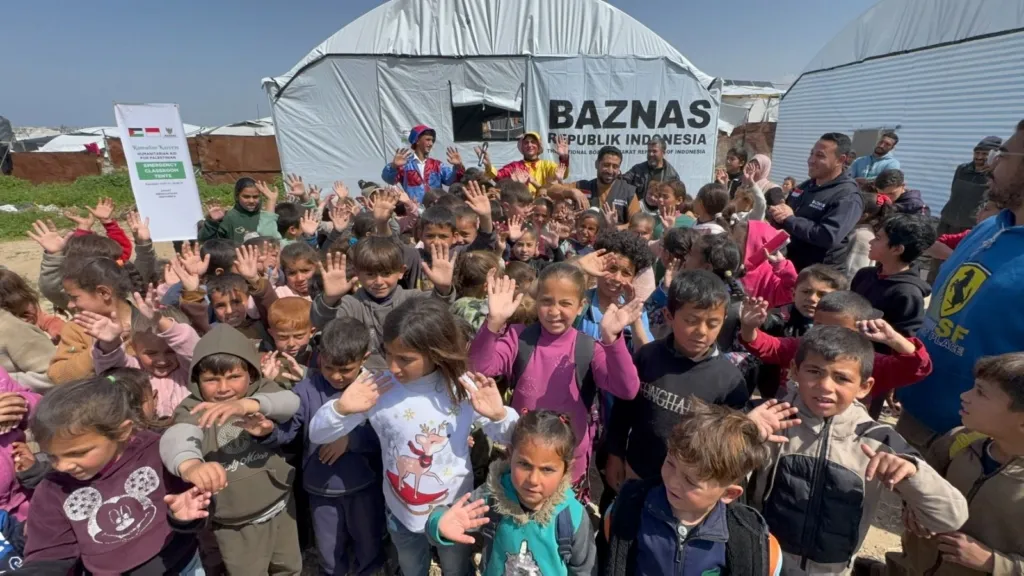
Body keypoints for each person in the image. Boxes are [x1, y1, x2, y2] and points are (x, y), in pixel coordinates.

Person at [308, 298, 519, 576]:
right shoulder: (378, 388)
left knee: (456, 568)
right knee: (411, 567)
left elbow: (514, 437)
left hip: (454, 509)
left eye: (405, 359)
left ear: (435, 352)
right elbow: (318, 433)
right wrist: (341, 408)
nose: (393, 366)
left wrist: (498, 415)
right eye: (388, 354)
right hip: (401, 514)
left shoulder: (462, 389)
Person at [746, 325, 969, 576]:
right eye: (814, 371)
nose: (825, 386)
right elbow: (717, 478)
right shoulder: (765, 419)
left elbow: (950, 518)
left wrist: (913, 475)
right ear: (795, 371)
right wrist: (743, 434)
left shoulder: (880, 439)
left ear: (864, 386)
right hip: (764, 562)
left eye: (841, 378)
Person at [897, 120, 1024, 450]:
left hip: (973, 447)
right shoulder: (991, 227)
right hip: (914, 412)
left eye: (1002, 155)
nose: (991, 165)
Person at [469, 264, 642, 495]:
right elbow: (478, 368)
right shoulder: (519, 337)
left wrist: (612, 341)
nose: (554, 311)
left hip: (569, 467)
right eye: (547, 301)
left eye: (565, 303)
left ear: (580, 306)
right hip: (523, 462)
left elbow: (628, 389)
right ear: (537, 300)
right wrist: (493, 323)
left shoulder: (588, 348)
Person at [21, 378, 211, 574]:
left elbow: (192, 512)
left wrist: (182, 518)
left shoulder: (156, 452)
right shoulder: (53, 490)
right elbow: (49, 555)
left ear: (123, 431)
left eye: (78, 453)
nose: (62, 466)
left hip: (183, 566)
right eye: (52, 456)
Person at [159, 324, 303, 575]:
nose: (223, 388)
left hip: (280, 504)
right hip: (233, 524)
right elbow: (178, 436)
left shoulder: (261, 391)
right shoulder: (193, 409)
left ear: (251, 373)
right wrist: (190, 464)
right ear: (196, 380)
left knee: (289, 566)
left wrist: (247, 405)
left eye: (234, 377)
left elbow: (290, 402)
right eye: (211, 380)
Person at [256, 318, 387, 576]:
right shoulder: (307, 389)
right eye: (328, 368)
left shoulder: (374, 388)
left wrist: (350, 440)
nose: (336, 376)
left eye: (346, 370)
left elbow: (385, 436)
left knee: (368, 542)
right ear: (319, 358)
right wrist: (268, 432)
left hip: (364, 486)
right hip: (321, 489)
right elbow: (290, 431)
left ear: (364, 358)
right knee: (329, 548)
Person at [604, 402, 784, 576]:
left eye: (690, 480)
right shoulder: (628, 511)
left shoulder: (750, 541)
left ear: (728, 493)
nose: (673, 481)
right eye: (670, 463)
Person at [606, 270, 747, 489]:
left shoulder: (730, 382)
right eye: (691, 320)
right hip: (636, 472)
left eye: (713, 323)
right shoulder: (647, 357)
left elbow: (729, 444)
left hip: (687, 487)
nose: (701, 331)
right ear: (669, 316)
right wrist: (614, 452)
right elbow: (623, 409)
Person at [889, 352, 1024, 576]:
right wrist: (915, 509)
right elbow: (922, 488)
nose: (964, 396)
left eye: (981, 392)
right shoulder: (959, 440)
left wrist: (993, 562)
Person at [427, 410, 596, 576]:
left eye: (547, 469)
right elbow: (440, 520)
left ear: (566, 469)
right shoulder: (493, 496)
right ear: (510, 454)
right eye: (524, 464)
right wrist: (439, 524)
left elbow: (584, 569)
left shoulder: (572, 515)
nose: (533, 480)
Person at [740, 291, 932, 399]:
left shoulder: (870, 362)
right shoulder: (802, 347)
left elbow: (916, 367)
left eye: (842, 378)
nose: (825, 334)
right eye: (818, 325)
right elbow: (769, 346)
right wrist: (749, 328)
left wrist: (894, 339)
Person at [310, 237, 456, 372]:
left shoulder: (413, 299)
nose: (379, 282)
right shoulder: (351, 304)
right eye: (370, 274)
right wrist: (329, 299)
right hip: (365, 379)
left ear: (401, 272)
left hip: (408, 377)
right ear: (357, 274)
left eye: (386, 274)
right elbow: (323, 324)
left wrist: (443, 289)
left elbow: (439, 313)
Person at [84, 289, 198, 418]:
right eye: (151, 353)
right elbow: (111, 368)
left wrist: (161, 321)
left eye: (171, 352)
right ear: (134, 347)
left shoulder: (189, 370)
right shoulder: (135, 369)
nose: (162, 360)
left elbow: (192, 349)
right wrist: (109, 343)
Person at [768, 132, 863, 271]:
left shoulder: (848, 195)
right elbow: (785, 218)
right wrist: (777, 215)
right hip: (788, 266)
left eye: (820, 156)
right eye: (811, 154)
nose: (811, 160)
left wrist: (790, 219)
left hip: (818, 276)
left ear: (840, 160)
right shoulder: (804, 187)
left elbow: (828, 236)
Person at [754, 265, 849, 399]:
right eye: (806, 291)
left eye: (822, 295)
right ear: (793, 293)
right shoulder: (776, 318)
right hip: (775, 392)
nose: (812, 298)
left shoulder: (843, 327)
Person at [50, 257, 145, 385]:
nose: (70, 305)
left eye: (74, 298)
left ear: (104, 293)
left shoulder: (150, 324)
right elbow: (57, 376)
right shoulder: (77, 328)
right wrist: (100, 350)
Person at [929, 136, 1003, 283]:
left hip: (969, 225)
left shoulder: (995, 176)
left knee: (960, 261)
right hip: (947, 220)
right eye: (977, 153)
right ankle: (930, 287)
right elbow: (954, 193)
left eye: (984, 154)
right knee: (936, 260)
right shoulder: (962, 169)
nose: (979, 157)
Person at [851, 214, 935, 336]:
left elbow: (906, 339)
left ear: (897, 249)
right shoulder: (864, 274)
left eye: (877, 238)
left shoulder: (908, 293)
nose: (870, 241)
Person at [550, 146, 638, 223]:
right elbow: (547, 190)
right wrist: (571, 192)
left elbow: (637, 224)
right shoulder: (581, 187)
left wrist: (613, 227)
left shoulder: (628, 192)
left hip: (615, 236)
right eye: (606, 165)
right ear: (596, 164)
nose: (610, 171)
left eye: (615, 166)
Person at [382, 125, 465, 203]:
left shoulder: (437, 165)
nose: (431, 143)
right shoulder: (405, 165)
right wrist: (394, 166)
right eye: (428, 140)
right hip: (414, 209)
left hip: (436, 208)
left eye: (432, 141)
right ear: (417, 141)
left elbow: (451, 181)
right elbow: (389, 180)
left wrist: (458, 166)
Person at [484, 132, 569, 196]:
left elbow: (562, 174)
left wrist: (564, 158)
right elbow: (498, 177)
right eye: (526, 142)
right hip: (522, 206)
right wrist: (488, 166)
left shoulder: (547, 165)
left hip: (543, 206)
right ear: (522, 147)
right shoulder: (514, 166)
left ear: (539, 146)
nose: (529, 145)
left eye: (533, 142)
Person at [199, 177, 268, 244]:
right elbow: (205, 241)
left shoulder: (265, 216)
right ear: (237, 196)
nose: (251, 201)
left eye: (255, 197)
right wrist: (212, 223)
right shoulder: (229, 218)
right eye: (246, 197)